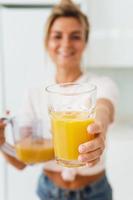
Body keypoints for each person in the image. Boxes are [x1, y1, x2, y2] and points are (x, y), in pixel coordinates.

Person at [0, 0, 118, 199]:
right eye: (57, 36)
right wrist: (2, 144)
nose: (66, 44)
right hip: (48, 192)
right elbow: (22, 161)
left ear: (85, 42)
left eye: (75, 36)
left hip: (96, 193)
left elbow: (103, 110)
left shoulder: (101, 85)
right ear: (47, 42)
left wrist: (98, 128)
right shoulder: (34, 93)